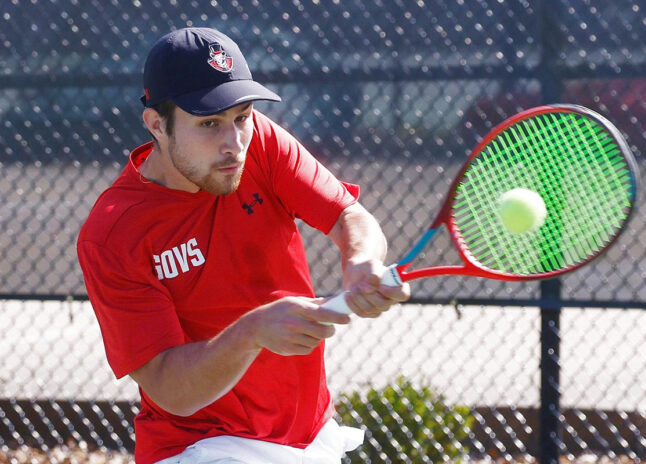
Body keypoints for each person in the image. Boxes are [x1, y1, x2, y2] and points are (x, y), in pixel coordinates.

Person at [76, 27, 410, 464]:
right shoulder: (113, 233)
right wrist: (251, 333)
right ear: (157, 125)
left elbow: (349, 216)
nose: (233, 143)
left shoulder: (261, 143)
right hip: (201, 448)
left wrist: (362, 260)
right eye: (209, 123)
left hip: (311, 437)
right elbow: (171, 389)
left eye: (242, 116)